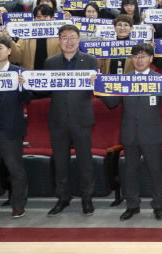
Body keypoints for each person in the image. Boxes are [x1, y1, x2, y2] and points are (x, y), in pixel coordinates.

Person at [99, 43, 162, 221]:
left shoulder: (160, 79)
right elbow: (112, 104)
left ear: (151, 59)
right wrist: (99, 87)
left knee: (155, 171)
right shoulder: (123, 79)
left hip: (151, 133)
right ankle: (132, 205)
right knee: (130, 172)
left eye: (143, 56)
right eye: (135, 56)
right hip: (129, 133)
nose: (139, 60)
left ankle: (158, 205)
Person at [39, 24, 100, 216]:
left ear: (79, 40)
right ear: (59, 41)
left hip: (81, 119)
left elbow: (98, 90)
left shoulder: (90, 61)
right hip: (57, 120)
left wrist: (96, 83)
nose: (68, 41)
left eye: (72, 37)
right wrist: (28, 81)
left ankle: (87, 198)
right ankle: (62, 198)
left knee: (85, 161)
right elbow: (43, 89)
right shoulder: (50, 62)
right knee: (60, 162)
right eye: (64, 37)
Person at [0, 36, 31, 218]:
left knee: (15, 170)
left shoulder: (19, 73)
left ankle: (18, 204)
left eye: (0, 48)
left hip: (10, 130)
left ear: (9, 51)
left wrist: (23, 86)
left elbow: (28, 99)